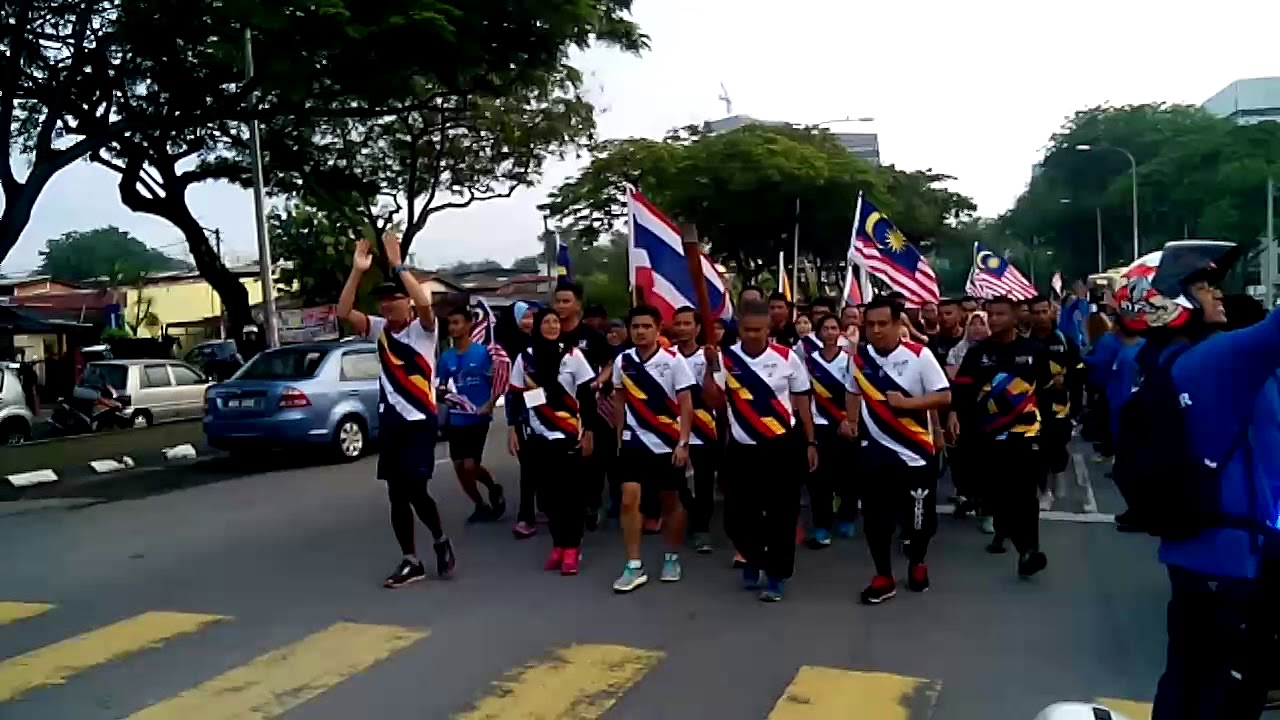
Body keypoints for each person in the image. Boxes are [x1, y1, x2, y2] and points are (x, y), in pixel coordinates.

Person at [1101, 242, 1280, 720]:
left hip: (1202, 553)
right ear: (1163, 301)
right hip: (1230, 557)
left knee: (1190, 680)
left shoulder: (1168, 360)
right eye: (1203, 286)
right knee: (1219, 695)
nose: (1217, 294)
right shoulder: (1212, 360)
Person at [336, 233, 455, 588]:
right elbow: (343, 312)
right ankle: (410, 560)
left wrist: (398, 265)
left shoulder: (423, 331)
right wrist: (357, 271)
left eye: (394, 299)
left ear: (408, 303)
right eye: (383, 300)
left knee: (416, 489)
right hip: (392, 423)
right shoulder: (379, 331)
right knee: (396, 493)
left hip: (419, 422)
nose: (387, 305)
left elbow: (425, 302)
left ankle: (439, 538)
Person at [850, 298, 951, 603]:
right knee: (875, 520)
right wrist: (850, 420)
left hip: (915, 453)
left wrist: (907, 404)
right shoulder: (859, 358)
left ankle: (917, 562)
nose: (877, 330)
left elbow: (943, 396)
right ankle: (884, 576)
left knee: (918, 519)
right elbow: (852, 390)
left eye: (883, 323)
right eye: (871, 324)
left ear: (898, 324)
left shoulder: (919, 355)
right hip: (874, 453)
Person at [720, 299, 818, 602]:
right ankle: (754, 556)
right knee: (736, 517)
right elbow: (712, 401)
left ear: (768, 329)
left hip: (781, 446)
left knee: (782, 515)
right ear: (739, 328)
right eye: (747, 330)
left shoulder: (787, 358)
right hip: (742, 448)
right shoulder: (725, 358)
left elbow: (803, 403)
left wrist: (810, 442)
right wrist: (711, 368)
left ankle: (776, 575)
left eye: (759, 330)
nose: (753, 335)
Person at [949, 296, 1051, 577]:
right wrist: (954, 415)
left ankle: (1029, 550)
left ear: (1015, 317)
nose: (994, 320)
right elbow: (962, 391)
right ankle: (1004, 533)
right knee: (999, 495)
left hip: (1026, 435)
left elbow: (1046, 393)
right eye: (990, 314)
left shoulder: (1035, 351)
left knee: (1025, 494)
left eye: (1000, 314)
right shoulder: (977, 353)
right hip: (988, 437)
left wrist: (1049, 433)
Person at [610, 305, 695, 592]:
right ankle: (633, 565)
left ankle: (671, 557)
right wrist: (619, 436)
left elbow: (686, 404)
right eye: (635, 327)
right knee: (629, 499)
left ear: (658, 329)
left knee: (669, 501)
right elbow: (619, 400)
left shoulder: (674, 361)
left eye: (646, 326)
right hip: (633, 442)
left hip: (667, 442)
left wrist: (683, 442)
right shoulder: (623, 361)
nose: (640, 332)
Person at [505, 307, 597, 574]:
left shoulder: (572, 356)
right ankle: (558, 545)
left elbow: (587, 395)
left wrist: (589, 431)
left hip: (568, 435)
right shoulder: (525, 358)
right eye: (547, 322)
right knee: (548, 496)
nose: (553, 326)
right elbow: (514, 395)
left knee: (570, 495)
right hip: (537, 436)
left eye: (556, 322)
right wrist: (512, 427)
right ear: (537, 327)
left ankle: (572, 548)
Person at [553, 280, 613, 530]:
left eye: (566, 301)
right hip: (557, 407)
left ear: (578, 305)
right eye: (557, 301)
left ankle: (592, 503)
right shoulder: (549, 333)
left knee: (591, 457)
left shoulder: (591, 336)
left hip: (589, 404)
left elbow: (609, 364)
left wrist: (598, 383)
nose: (561, 306)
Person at [437, 305, 506, 524]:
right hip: (456, 417)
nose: (453, 327)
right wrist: (443, 392)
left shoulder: (484, 353)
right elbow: (440, 385)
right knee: (459, 467)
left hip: (478, 416)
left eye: (457, 323)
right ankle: (479, 504)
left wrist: (490, 404)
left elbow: (498, 381)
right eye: (450, 323)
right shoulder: (446, 357)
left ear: (469, 325)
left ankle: (493, 487)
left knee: (470, 465)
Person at [803, 314, 858, 547]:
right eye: (825, 328)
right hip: (820, 426)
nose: (830, 332)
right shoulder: (809, 362)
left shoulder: (849, 360)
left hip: (845, 425)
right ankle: (821, 525)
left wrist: (849, 420)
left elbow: (855, 393)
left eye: (834, 328)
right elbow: (804, 396)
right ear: (819, 332)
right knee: (819, 479)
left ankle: (847, 517)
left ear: (840, 332)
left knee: (848, 475)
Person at [671, 306, 721, 554]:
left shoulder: (710, 356)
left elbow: (715, 398)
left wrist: (712, 366)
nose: (682, 328)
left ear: (698, 328)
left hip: (703, 427)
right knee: (676, 481)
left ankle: (701, 528)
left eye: (687, 323)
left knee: (703, 482)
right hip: (671, 426)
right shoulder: (666, 356)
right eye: (677, 323)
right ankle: (681, 520)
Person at [1028, 295, 1085, 511]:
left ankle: (1057, 476)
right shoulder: (1025, 342)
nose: (1041, 316)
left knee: (1057, 448)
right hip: (1032, 407)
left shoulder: (1064, 340)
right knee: (1037, 450)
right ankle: (1044, 491)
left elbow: (1080, 372)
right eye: (1036, 312)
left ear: (1052, 312)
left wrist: (1067, 382)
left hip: (1060, 408)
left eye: (1044, 311)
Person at [928, 299, 966, 367]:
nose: (944, 318)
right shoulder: (933, 342)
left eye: (948, 313)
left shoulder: (969, 339)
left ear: (959, 314)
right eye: (940, 314)